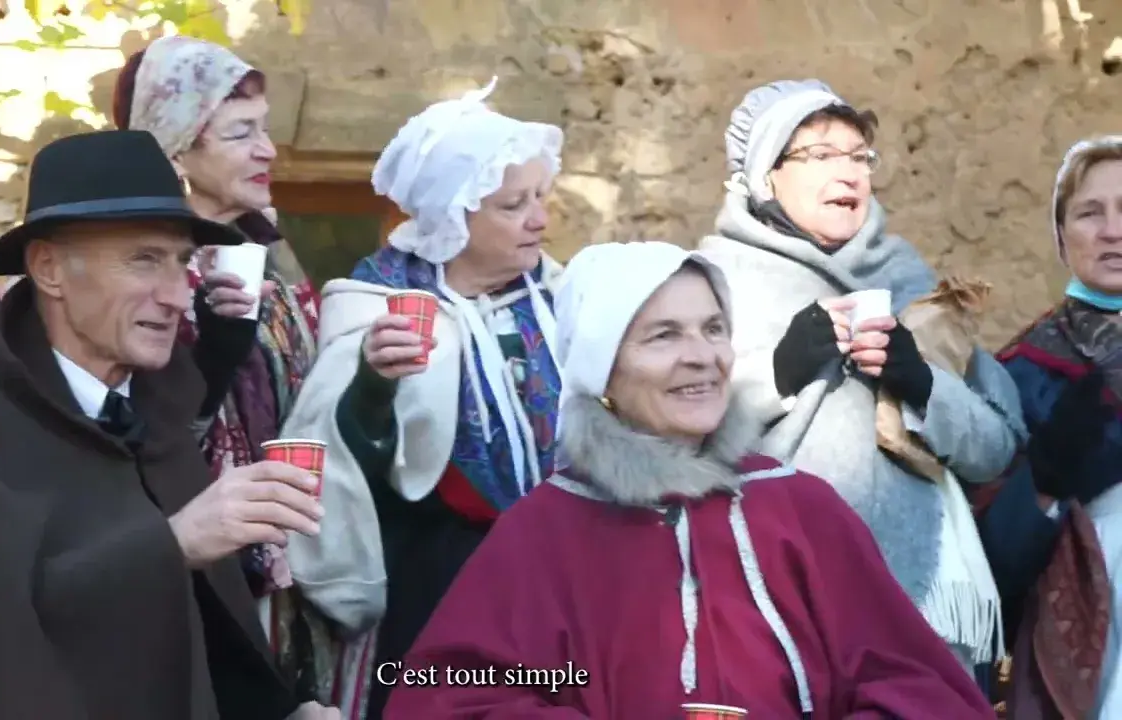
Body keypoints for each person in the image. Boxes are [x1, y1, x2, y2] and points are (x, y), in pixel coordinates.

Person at [0, 129, 337, 720]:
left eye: (183, 262)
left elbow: (199, 640)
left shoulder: (161, 407)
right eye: (144, 260)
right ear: (49, 269)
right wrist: (175, 544)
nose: (179, 295)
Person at [384, 241, 995, 718]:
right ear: (603, 370)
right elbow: (452, 693)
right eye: (664, 335)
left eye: (712, 328)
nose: (702, 355)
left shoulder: (799, 507)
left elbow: (920, 687)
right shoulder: (545, 531)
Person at [697, 79, 1023, 672]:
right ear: (765, 174)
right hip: (778, 614)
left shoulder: (908, 280)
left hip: (929, 626)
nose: (848, 173)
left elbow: (996, 448)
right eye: (820, 155)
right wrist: (777, 375)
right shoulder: (711, 286)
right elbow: (672, 448)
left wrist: (922, 385)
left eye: (859, 156)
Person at [280, 77, 562, 717]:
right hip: (433, 586)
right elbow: (337, 459)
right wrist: (375, 385)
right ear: (450, 217)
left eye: (541, 197)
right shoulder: (374, 307)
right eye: (513, 204)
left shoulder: (560, 301)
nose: (540, 218)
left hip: (554, 578)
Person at [110, 36, 348, 712]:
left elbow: (310, 389)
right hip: (193, 565)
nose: (268, 150)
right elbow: (144, 434)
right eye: (241, 133)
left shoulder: (271, 252)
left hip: (294, 551)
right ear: (177, 148)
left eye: (265, 129)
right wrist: (213, 351)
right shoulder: (139, 271)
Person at [977, 136, 1122, 718]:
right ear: (1062, 238)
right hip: (1096, 652)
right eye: (1091, 213)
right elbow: (991, 566)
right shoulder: (1018, 373)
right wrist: (1046, 479)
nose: (1113, 230)